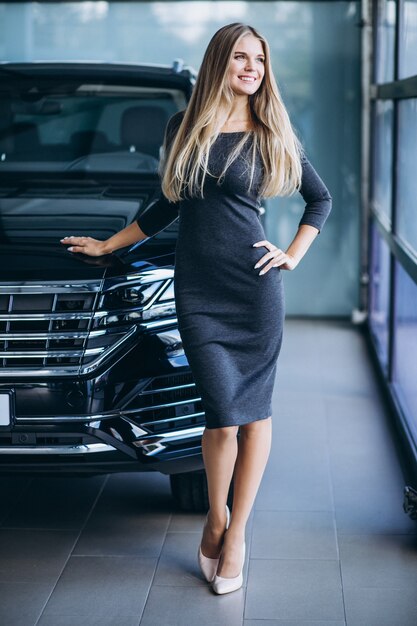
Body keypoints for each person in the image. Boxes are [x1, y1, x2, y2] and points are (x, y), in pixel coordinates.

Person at [61, 22, 332, 595]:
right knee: (220, 412)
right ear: (219, 63)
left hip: (254, 291)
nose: (251, 68)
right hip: (200, 293)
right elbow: (166, 206)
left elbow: (320, 198)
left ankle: (237, 533)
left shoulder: (270, 128)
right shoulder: (182, 128)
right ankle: (215, 515)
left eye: (259, 59)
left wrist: (291, 255)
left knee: (254, 413)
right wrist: (110, 244)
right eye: (240, 57)